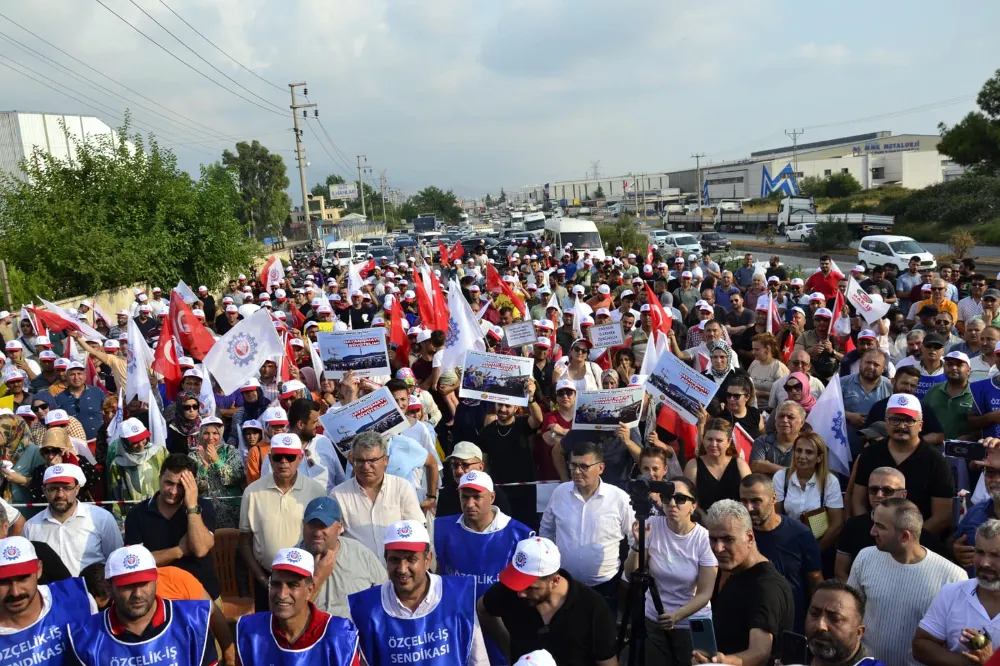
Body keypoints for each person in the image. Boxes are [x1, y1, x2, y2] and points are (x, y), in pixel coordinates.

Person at [347, 519, 490, 665]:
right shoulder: (364, 608)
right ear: (386, 560)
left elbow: (478, 659)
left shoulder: (458, 596)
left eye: (411, 559)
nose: (402, 569)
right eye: (395, 560)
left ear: (428, 560)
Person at [847, 498, 966, 666]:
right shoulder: (865, 557)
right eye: (874, 523)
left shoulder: (952, 577)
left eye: (880, 526)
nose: (872, 531)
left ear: (904, 536)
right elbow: (850, 614)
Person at [434, 471, 532, 664]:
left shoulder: (520, 535)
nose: (470, 504)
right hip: (456, 625)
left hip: (502, 626)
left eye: (477, 497)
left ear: (492, 497)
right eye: (465, 497)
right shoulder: (439, 528)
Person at [66, 544, 217, 665]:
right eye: (127, 586)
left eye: (144, 583)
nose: (137, 594)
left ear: (156, 581)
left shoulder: (193, 622)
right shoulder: (84, 636)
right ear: (109, 588)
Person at [478, 536, 618, 666]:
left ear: (554, 581)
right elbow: (482, 610)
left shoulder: (592, 607)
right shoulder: (509, 591)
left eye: (531, 588)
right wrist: (505, 646)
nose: (520, 593)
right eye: (517, 584)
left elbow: (607, 661)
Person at [623, 476, 717, 666]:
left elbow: (705, 593)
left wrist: (677, 615)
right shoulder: (652, 524)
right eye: (667, 498)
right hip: (655, 618)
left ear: (693, 505)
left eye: (680, 499)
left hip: (692, 622)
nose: (672, 503)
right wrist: (638, 544)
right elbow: (629, 574)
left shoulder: (704, 538)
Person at [694, 500, 793, 665]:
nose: (718, 548)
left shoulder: (766, 587)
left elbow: (760, 652)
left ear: (749, 537)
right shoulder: (737, 572)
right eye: (713, 539)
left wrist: (721, 662)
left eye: (728, 539)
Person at [539, 442, 635, 612]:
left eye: (583, 466)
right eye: (573, 465)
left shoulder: (619, 498)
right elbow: (547, 530)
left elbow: (635, 538)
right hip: (565, 586)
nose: (576, 471)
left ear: (601, 468)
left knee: (603, 636)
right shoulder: (560, 493)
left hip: (606, 587)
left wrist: (626, 578)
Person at [234, 547, 364, 665]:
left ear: (310, 590)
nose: (282, 594)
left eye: (292, 585)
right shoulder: (250, 632)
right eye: (276, 584)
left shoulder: (339, 637)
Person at [240, 433, 326, 611]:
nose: (284, 462)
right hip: (267, 578)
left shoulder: (316, 491)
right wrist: (263, 580)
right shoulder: (252, 492)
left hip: (304, 578)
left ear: (300, 458)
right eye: (278, 457)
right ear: (270, 459)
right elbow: (245, 542)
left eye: (290, 457)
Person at [851, 395, 954, 537]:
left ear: (921, 425)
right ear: (886, 422)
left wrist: (906, 541)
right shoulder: (870, 454)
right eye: (895, 419)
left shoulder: (936, 461)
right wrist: (874, 534)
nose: (901, 426)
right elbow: (858, 502)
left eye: (909, 420)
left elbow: (941, 517)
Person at [123, 453, 220, 602]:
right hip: (158, 599)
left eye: (181, 485)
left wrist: (192, 507)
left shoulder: (203, 507)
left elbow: (200, 549)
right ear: (160, 476)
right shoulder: (137, 514)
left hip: (202, 596)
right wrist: (178, 551)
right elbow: (135, 563)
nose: (173, 491)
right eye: (169, 483)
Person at [739, 474, 822, 634]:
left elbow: (815, 581)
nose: (749, 508)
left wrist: (814, 623)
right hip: (748, 627)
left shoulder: (800, 534)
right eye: (743, 501)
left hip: (791, 627)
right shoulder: (738, 535)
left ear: (773, 498)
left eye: (756, 501)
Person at [913, 518, 1000, 666]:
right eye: (979, 552)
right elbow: (921, 645)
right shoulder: (951, 593)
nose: (985, 563)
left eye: (996, 555)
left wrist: (990, 662)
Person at [331, 431, 425, 561]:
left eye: (372, 460)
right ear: (352, 460)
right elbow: (333, 540)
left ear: (385, 460)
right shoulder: (338, 495)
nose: (366, 466)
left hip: (397, 573)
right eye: (360, 461)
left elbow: (417, 530)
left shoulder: (402, 488)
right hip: (358, 574)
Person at [0, 536, 97, 662]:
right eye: (3, 582)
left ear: (39, 569)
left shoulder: (77, 599)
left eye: (23, 578)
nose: (15, 592)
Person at [835, 467, 938, 582]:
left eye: (887, 490)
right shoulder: (853, 526)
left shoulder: (921, 535)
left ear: (903, 495)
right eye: (873, 489)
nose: (879, 495)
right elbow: (840, 572)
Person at [22, 463, 123, 576]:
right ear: (44, 491)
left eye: (67, 488)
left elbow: (116, 560)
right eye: (53, 489)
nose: (60, 494)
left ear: (77, 489)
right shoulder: (31, 527)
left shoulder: (102, 519)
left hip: (91, 592)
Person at [297, 496, 387, 620]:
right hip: (312, 637)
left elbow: (385, 598)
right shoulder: (292, 559)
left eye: (323, 526)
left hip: (354, 635)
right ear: (303, 524)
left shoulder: (360, 553)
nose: (317, 533)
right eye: (312, 525)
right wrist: (318, 577)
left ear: (339, 527)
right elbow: (289, 616)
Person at [774, 431, 845, 553]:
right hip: (787, 545)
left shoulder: (830, 481)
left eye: (809, 452)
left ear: (819, 458)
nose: (802, 456)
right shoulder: (781, 477)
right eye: (799, 450)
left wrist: (814, 552)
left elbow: (837, 524)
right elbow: (775, 517)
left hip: (819, 546)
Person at [804, 580, 884, 666]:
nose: (820, 625)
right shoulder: (792, 659)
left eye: (835, 619)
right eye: (814, 614)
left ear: (859, 633)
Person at [685, 418, 751, 512]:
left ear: (728, 442)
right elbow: (690, 500)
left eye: (719, 440)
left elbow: (750, 496)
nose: (713, 444)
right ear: (703, 439)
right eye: (709, 439)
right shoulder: (693, 466)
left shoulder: (740, 465)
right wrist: (705, 519)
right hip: (704, 522)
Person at [189, 417, 244, 528]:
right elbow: (195, 486)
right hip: (204, 512)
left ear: (221, 434)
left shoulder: (231, 451)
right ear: (200, 434)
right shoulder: (193, 455)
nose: (211, 437)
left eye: (215, 433)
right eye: (206, 433)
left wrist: (217, 460)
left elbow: (236, 478)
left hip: (230, 513)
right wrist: (204, 467)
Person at [437, 442, 513, 519]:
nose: (459, 470)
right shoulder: (446, 494)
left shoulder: (497, 496)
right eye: (455, 465)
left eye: (465, 465)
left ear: (481, 467)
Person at [842, 349, 894, 457]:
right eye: (868, 362)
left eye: (876, 364)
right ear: (861, 363)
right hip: (845, 448)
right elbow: (828, 410)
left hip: (878, 450)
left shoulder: (890, 387)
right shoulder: (842, 383)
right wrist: (848, 415)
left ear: (883, 368)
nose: (871, 367)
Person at [107, 416, 168, 505]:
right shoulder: (117, 464)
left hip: (160, 509)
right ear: (125, 442)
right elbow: (115, 494)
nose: (140, 445)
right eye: (135, 442)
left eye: (143, 439)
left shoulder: (160, 453)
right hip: (133, 513)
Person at [922, 350, 976, 440]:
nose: (954, 368)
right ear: (944, 367)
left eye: (959, 365)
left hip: (964, 448)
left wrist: (971, 437)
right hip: (934, 448)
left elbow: (982, 425)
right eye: (950, 364)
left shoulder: (976, 393)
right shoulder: (934, 390)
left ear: (968, 370)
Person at [750, 401, 807, 477]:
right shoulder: (761, 442)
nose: (784, 420)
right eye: (781, 416)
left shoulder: (808, 445)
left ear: (802, 422)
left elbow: (804, 476)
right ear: (775, 419)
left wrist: (769, 467)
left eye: (791, 417)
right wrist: (790, 472)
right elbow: (757, 473)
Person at [52, 361, 104, 441]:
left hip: (99, 442)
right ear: (66, 377)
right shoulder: (58, 399)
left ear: (85, 376)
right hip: (74, 446)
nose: (76, 378)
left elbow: (109, 413)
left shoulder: (97, 392)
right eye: (72, 374)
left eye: (79, 374)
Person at [747, 333, 789, 408]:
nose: (753, 352)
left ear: (768, 349)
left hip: (769, 409)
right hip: (751, 406)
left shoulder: (779, 368)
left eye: (757, 349)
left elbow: (784, 394)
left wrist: (762, 394)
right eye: (753, 349)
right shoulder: (754, 363)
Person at [717, 373, 765, 438]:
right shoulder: (721, 417)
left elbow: (764, 438)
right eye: (729, 395)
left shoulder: (755, 414)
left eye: (736, 396)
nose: (731, 399)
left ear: (747, 397)